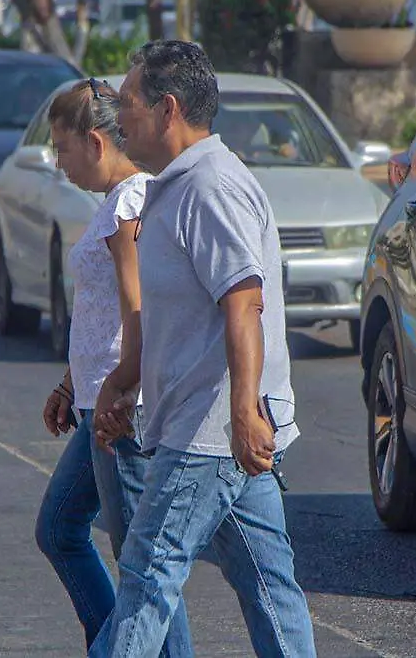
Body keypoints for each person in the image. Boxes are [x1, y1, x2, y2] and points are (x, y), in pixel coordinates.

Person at [90, 40, 317, 657]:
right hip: (217, 426)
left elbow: (243, 301)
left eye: (129, 103)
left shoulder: (211, 187)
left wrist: (243, 412)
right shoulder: (178, 184)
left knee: (146, 573)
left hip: (210, 429)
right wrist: (127, 377)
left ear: (167, 110)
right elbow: (181, 312)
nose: (119, 119)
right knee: (269, 586)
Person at [33, 78, 192, 655]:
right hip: (95, 399)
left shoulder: (130, 204)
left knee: (145, 569)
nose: (58, 163)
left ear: (96, 143)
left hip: (121, 411)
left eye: (62, 148)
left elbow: (138, 309)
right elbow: (100, 315)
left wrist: (124, 390)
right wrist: (71, 382)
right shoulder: (112, 204)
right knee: (59, 528)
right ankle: (113, 645)